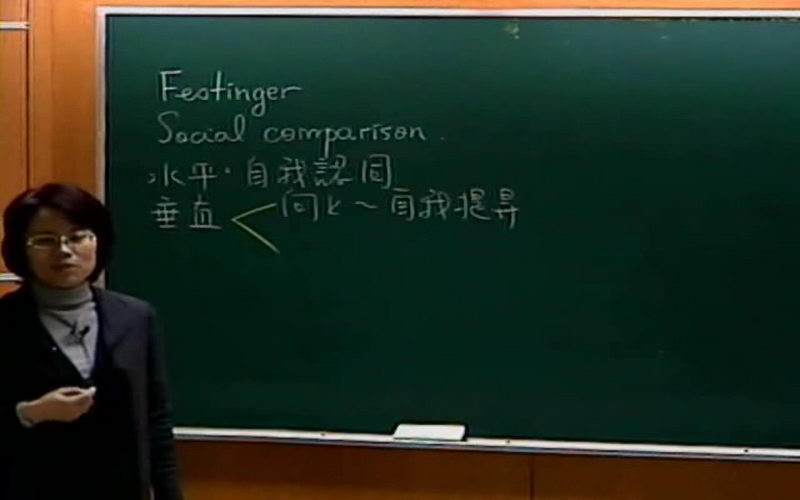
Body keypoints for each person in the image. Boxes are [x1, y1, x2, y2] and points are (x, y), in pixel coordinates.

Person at [0, 183, 183, 499]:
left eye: (77, 237)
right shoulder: (4, 322)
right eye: (45, 240)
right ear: (21, 249)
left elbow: (156, 421)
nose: (64, 250)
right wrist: (29, 413)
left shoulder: (135, 317)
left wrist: (169, 493)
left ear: (98, 241)